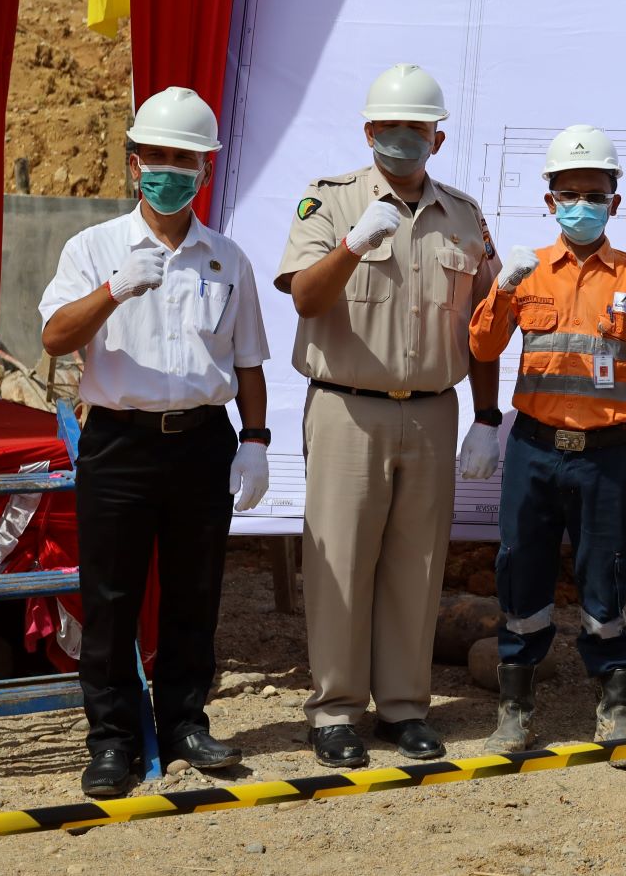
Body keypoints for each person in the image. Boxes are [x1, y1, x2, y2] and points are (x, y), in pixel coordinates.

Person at [39, 86, 271, 798]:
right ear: (135, 162)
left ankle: (184, 723)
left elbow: (248, 361)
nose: (170, 170)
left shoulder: (226, 258)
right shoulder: (95, 247)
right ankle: (111, 738)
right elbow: (53, 338)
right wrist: (113, 289)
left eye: (186, 159)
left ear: (206, 170)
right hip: (119, 443)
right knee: (110, 596)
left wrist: (256, 439)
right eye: (158, 157)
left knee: (195, 593)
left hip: (201, 440)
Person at [275, 63, 500, 768]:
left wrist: (487, 416)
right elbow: (306, 300)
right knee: (339, 561)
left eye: (417, 127)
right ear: (369, 130)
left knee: (417, 565)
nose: (405, 138)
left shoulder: (463, 215)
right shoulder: (330, 203)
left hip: (432, 410)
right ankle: (336, 710)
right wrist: (350, 247)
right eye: (391, 127)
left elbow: (484, 326)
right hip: (348, 408)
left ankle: (404, 707)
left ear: (437, 135)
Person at [468, 125, 626, 766]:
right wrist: (502, 288)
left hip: (604, 454)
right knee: (520, 570)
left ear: (615, 200)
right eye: (568, 192)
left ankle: (614, 710)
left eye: (594, 192)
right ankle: (515, 711)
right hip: (532, 449)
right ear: (549, 198)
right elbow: (481, 348)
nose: (580, 203)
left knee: (605, 577)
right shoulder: (526, 271)